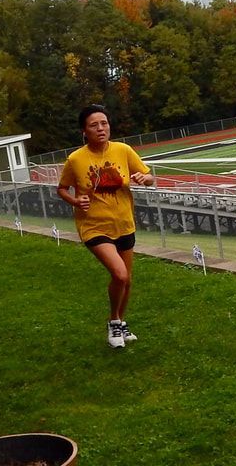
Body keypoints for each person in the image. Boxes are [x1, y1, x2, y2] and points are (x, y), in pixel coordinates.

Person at [57, 104, 155, 349]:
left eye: (104, 123)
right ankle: (114, 321)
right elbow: (62, 188)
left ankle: (121, 323)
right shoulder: (76, 159)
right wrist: (75, 200)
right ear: (84, 131)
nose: (101, 128)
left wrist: (146, 178)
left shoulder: (123, 150)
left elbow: (149, 176)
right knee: (119, 274)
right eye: (94, 125)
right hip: (93, 225)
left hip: (123, 222)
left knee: (127, 280)